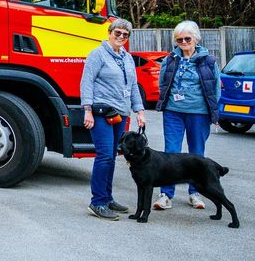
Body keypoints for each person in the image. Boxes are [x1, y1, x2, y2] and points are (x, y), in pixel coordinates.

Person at [80, 18, 146, 221]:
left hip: (121, 113)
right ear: (109, 33)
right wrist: (87, 110)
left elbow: (133, 86)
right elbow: (87, 81)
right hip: (101, 113)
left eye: (125, 35)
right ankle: (97, 202)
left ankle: (107, 198)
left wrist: (139, 111)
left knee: (112, 156)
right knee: (104, 156)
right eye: (117, 33)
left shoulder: (126, 57)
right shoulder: (97, 54)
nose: (121, 37)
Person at [153, 20, 221, 211]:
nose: (183, 42)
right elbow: (162, 84)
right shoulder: (170, 59)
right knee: (171, 153)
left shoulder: (209, 61)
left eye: (187, 38)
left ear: (195, 39)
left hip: (199, 113)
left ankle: (195, 192)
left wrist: (213, 113)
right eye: (179, 39)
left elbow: (215, 89)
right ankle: (166, 194)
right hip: (173, 112)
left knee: (197, 153)